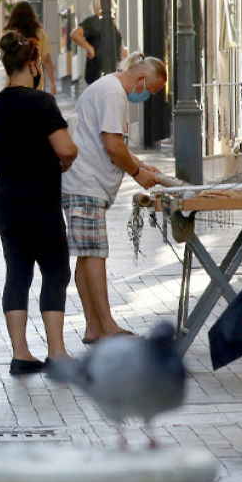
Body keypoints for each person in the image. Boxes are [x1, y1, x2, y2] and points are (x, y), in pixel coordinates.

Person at [0, 31, 78, 376]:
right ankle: (57, 351)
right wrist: (61, 157)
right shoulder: (41, 103)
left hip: (7, 203)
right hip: (40, 201)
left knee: (17, 274)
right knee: (55, 271)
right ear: (34, 64)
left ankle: (20, 353)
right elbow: (66, 149)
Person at [61, 53, 167, 344]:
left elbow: (114, 141)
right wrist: (137, 173)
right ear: (141, 79)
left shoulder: (108, 88)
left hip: (85, 184)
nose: (146, 96)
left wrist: (141, 164)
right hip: (86, 184)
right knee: (95, 253)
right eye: (150, 90)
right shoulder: (113, 93)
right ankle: (106, 325)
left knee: (87, 254)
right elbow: (112, 145)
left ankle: (94, 326)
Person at [70, 0, 127, 85]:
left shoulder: (109, 22)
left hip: (112, 70)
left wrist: (122, 49)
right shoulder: (93, 22)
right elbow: (75, 34)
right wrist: (89, 48)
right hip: (99, 71)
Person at [6, 1, 58, 97]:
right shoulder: (40, 34)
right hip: (34, 80)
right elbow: (47, 60)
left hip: (14, 81)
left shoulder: (10, 35)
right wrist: (52, 83)